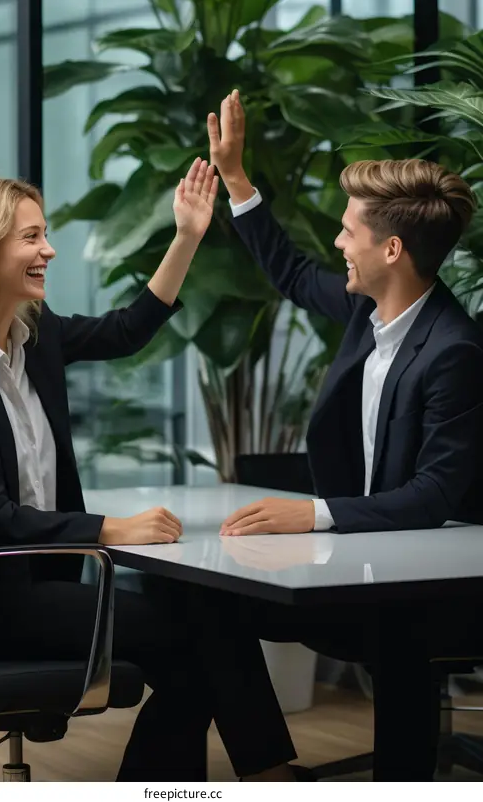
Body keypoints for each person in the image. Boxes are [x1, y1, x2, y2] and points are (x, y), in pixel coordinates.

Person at [0, 159, 309, 783]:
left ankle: (261, 773)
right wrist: (111, 529)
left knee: (203, 637)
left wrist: (186, 236)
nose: (48, 250)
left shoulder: (35, 336)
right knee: (196, 638)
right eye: (31, 237)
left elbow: (127, 330)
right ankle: (269, 774)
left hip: (39, 585)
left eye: (44, 234)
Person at [205, 89, 483, 780]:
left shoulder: (455, 350)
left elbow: (433, 496)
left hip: (437, 590)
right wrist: (235, 178)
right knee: (210, 606)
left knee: (399, 638)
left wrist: (313, 515)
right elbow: (293, 273)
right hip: (364, 569)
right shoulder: (369, 310)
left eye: (347, 232)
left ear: (391, 248)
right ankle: (270, 771)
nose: (337, 243)